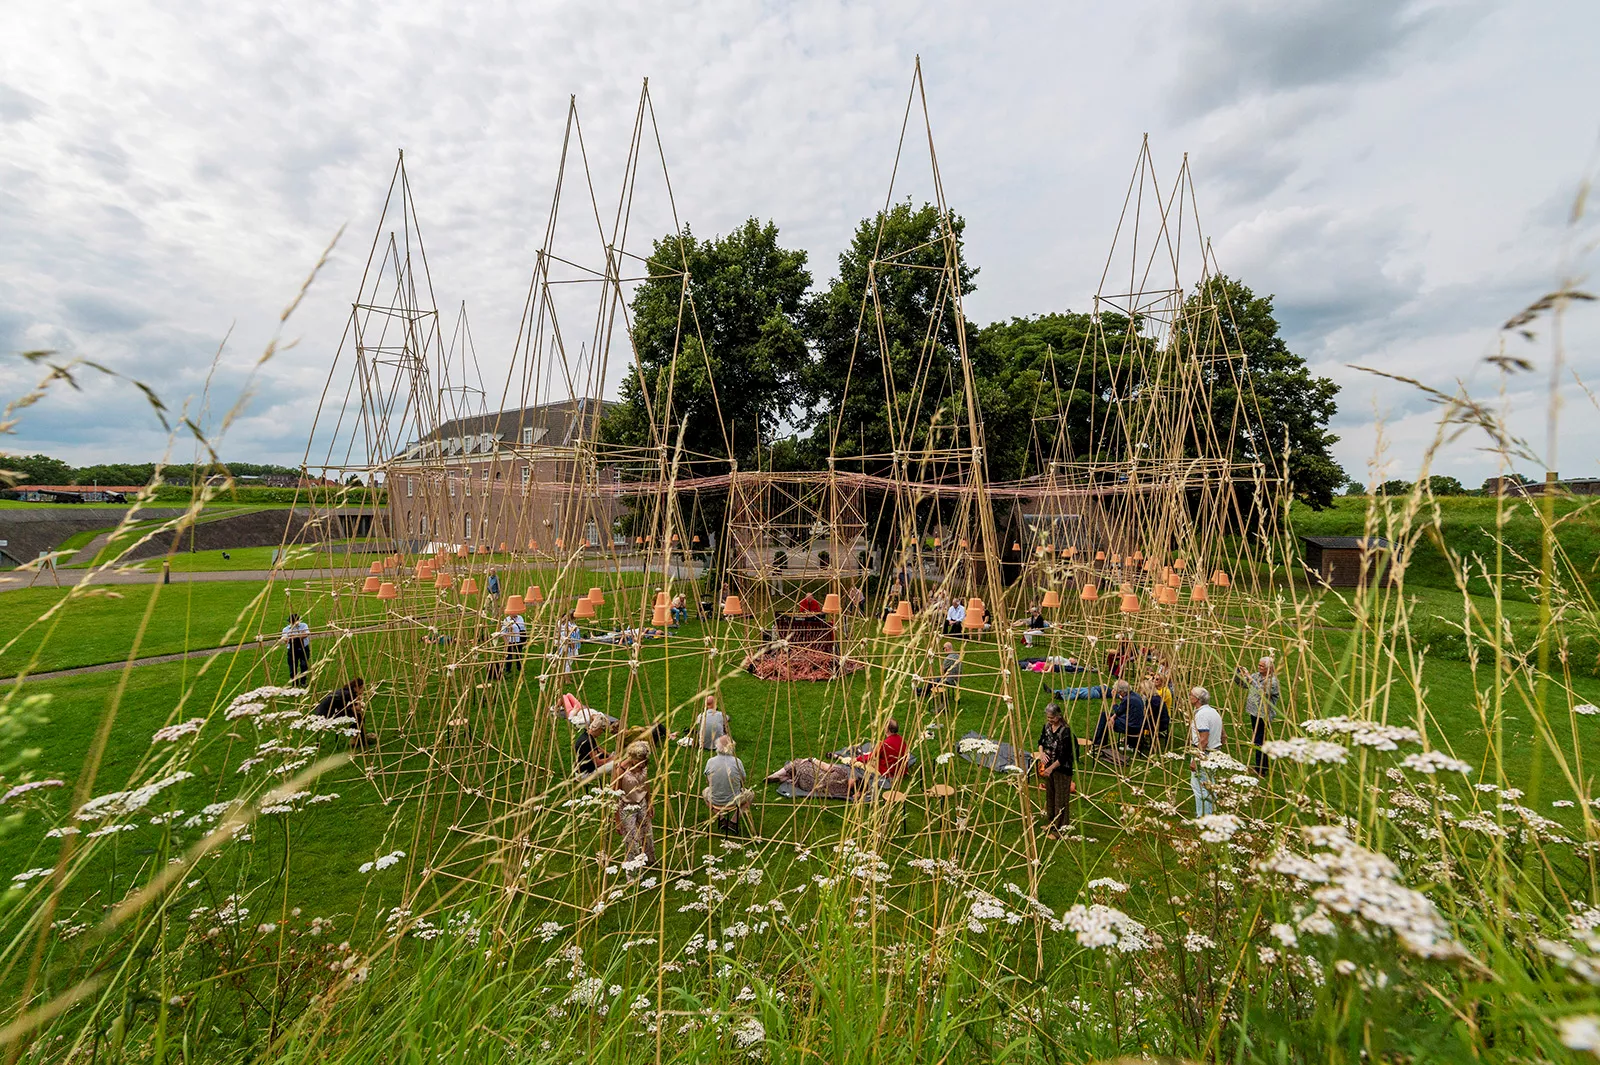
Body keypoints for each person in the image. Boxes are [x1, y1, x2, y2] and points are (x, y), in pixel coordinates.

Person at [1235, 656, 1280, 777]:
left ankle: (1260, 769)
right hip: (1254, 712)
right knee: (1259, 739)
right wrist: (1238, 673)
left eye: (1262, 666)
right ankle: (1262, 766)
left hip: (1263, 715)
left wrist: (1250, 678)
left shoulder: (1273, 682)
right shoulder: (1257, 676)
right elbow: (1243, 684)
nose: (1259, 667)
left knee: (1260, 740)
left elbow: (1262, 691)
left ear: (1269, 668)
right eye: (1259, 665)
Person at [1037, 702, 1077, 836]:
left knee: (1061, 799)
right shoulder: (1047, 727)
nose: (1050, 720)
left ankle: (1060, 830)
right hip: (1049, 768)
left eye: (1052, 717)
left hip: (1062, 769)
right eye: (1048, 717)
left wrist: (1051, 768)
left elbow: (1065, 756)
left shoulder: (1065, 732)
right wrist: (1041, 754)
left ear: (1058, 716)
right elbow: (1041, 742)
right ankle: (1052, 823)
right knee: (1051, 796)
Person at [613, 741, 655, 868]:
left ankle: (649, 861)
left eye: (644, 762)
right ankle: (633, 869)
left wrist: (649, 802)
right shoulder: (621, 770)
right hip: (627, 807)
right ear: (631, 758)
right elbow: (615, 796)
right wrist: (617, 820)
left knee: (647, 833)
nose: (641, 765)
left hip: (642, 803)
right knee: (632, 840)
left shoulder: (643, 766)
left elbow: (645, 784)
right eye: (639, 762)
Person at [703, 735, 753, 833]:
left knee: (705, 792)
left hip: (715, 800)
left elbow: (708, 781)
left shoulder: (710, 762)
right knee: (750, 795)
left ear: (717, 746)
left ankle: (721, 818)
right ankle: (734, 821)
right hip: (734, 801)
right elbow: (743, 780)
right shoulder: (737, 762)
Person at [1188, 687, 1224, 816]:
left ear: (1197, 699)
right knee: (1209, 785)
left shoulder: (1202, 715)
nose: (1189, 696)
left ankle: (1202, 817)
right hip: (1214, 752)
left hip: (1205, 754)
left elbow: (1203, 740)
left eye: (1191, 695)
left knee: (1200, 787)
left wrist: (1195, 759)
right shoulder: (1213, 712)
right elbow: (1224, 736)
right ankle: (1209, 813)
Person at [1090, 678, 1146, 755]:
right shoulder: (1135, 695)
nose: (1118, 693)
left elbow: (1117, 711)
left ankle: (1099, 742)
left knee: (1104, 718)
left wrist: (1113, 700)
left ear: (1122, 691)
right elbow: (1122, 710)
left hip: (1130, 727)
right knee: (1105, 715)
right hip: (1137, 724)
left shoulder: (1127, 699)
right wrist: (1113, 717)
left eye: (1118, 692)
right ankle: (1099, 740)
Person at [312, 678, 372, 746]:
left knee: (355, 714)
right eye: (362, 689)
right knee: (359, 715)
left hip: (320, 714)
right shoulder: (349, 694)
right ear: (356, 688)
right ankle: (359, 739)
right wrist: (361, 703)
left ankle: (358, 735)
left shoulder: (344, 691)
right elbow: (356, 708)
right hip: (327, 716)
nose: (363, 691)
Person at [1139, 675, 1171, 750]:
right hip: (1162, 721)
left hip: (1158, 724)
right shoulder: (1156, 697)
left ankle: (1135, 743)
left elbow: (1147, 714)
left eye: (1142, 689)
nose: (1141, 691)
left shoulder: (1152, 700)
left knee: (1135, 723)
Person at [281, 613, 311, 685]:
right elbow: (285, 639)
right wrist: (298, 636)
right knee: (292, 667)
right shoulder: (286, 629)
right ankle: (294, 682)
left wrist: (293, 637)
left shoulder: (304, 625)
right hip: (292, 650)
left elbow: (306, 634)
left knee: (304, 665)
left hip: (304, 648)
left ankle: (303, 682)